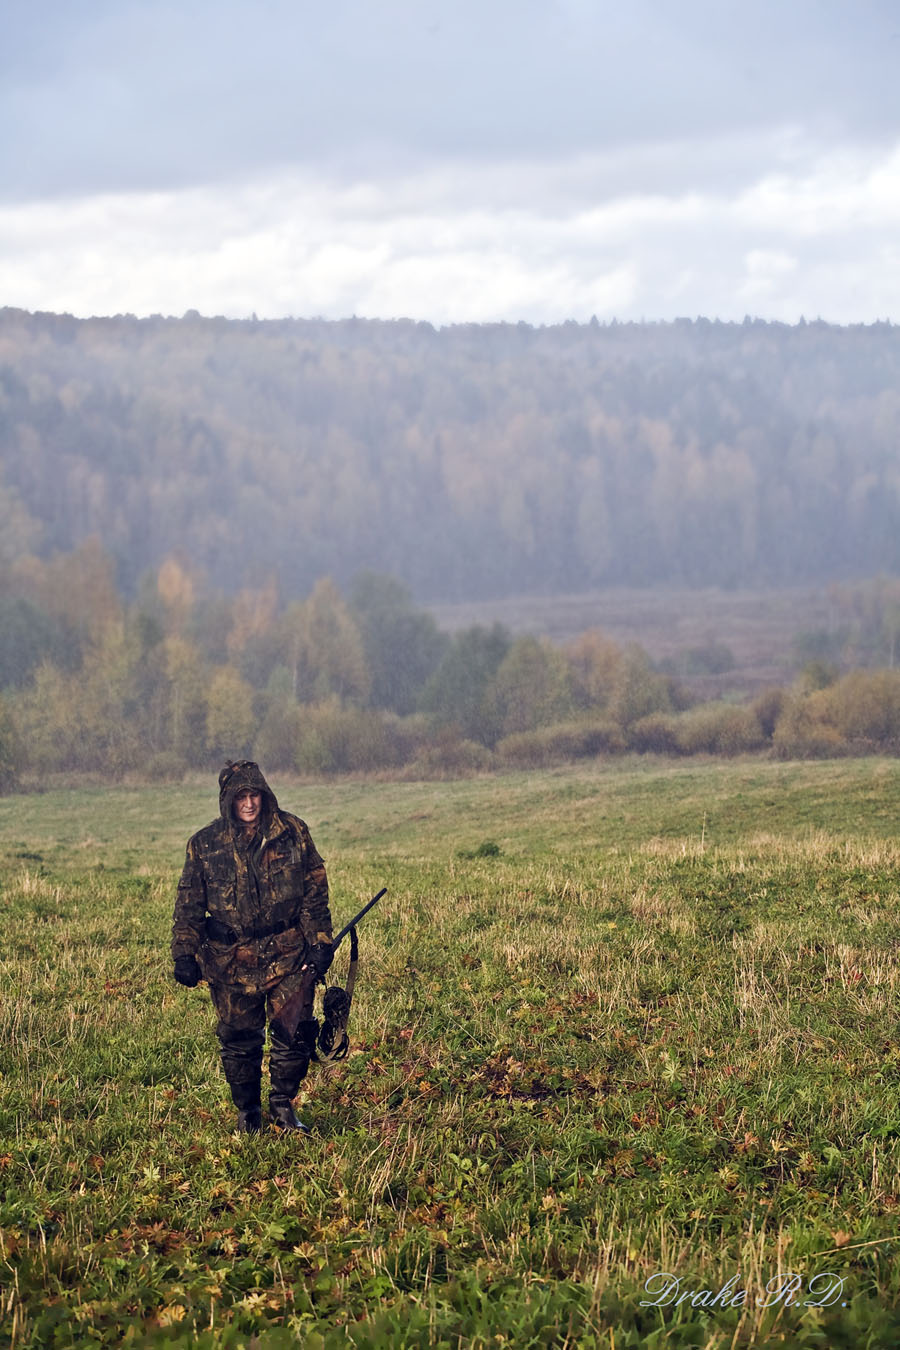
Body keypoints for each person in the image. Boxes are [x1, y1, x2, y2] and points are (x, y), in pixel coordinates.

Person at [171, 760, 333, 1133]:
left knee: (293, 1033)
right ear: (228, 800)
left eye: (254, 795)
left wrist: (320, 941)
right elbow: (189, 905)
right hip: (230, 960)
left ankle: (283, 1108)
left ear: (264, 795)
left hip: (288, 953)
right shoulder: (205, 845)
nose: (249, 803)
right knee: (239, 1040)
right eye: (241, 796)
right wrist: (184, 951)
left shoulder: (293, 832)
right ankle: (248, 1114)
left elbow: (314, 892)